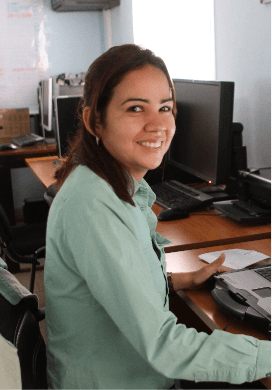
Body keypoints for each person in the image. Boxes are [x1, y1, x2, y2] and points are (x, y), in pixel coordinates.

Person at [44, 44, 270, 390]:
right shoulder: (93, 205)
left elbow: (110, 284)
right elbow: (165, 347)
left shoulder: (104, 184)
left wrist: (177, 281)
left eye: (165, 108)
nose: (158, 124)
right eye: (135, 108)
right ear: (94, 121)